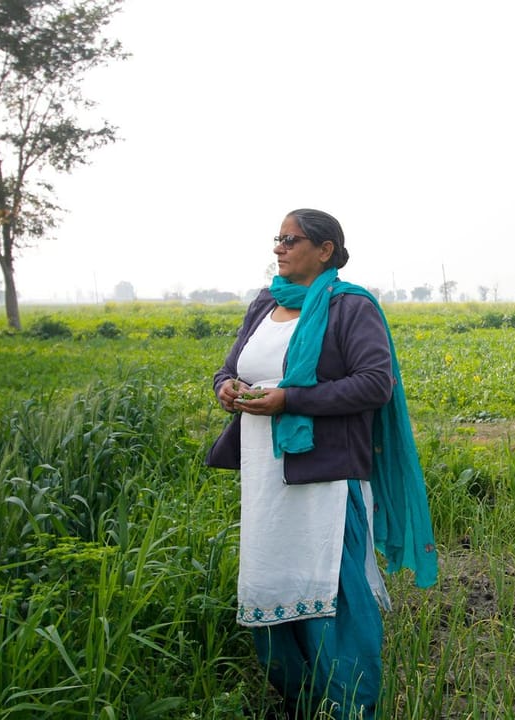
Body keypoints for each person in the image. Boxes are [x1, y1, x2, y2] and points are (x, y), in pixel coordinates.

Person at [206, 208, 438, 719]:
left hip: (329, 473)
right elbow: (234, 364)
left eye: (291, 239)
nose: (278, 248)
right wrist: (226, 386)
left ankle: (351, 704)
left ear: (325, 249)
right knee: (274, 578)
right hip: (267, 475)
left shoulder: (351, 307)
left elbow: (375, 384)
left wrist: (290, 401)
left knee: (333, 585)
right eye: (277, 238)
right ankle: (300, 697)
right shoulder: (264, 304)